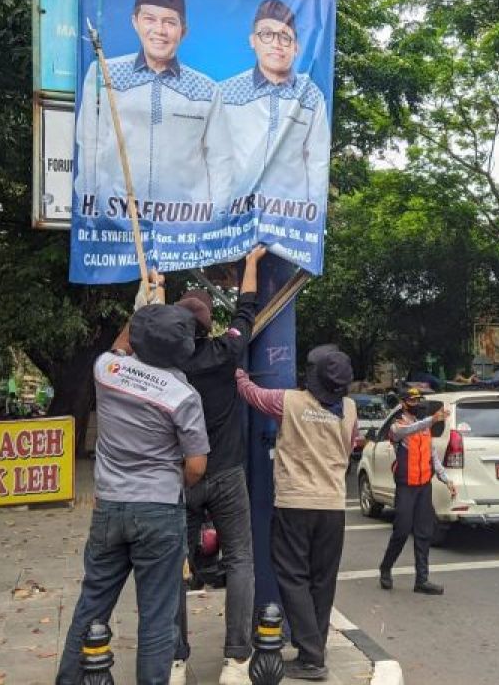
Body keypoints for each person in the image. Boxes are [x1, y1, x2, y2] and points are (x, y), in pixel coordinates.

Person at [56, 298, 210, 685]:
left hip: (109, 507)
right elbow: (196, 466)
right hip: (159, 510)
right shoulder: (183, 395)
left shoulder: (107, 370)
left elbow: (122, 342)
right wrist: (171, 480)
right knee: (157, 616)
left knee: (91, 605)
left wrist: (144, 308)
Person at [168, 247, 265, 685]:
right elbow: (247, 310)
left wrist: (151, 284)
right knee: (241, 559)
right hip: (227, 472)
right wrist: (250, 265)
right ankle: (236, 662)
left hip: (181, 476)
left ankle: (174, 659)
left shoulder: (162, 366)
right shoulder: (226, 351)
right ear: (209, 326)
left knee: (172, 564)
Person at [234, 345, 360, 681]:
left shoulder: (287, 401)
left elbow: (250, 393)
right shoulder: (349, 409)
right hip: (333, 506)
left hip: (294, 503)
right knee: (322, 581)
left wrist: (238, 369)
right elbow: (350, 447)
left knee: (292, 577)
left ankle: (312, 656)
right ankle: (313, 651)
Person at [74, 0, 225, 210]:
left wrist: (214, 217)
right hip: (117, 222)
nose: (160, 30)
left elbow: (220, 161)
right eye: (150, 19)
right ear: (135, 22)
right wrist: (95, 208)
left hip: (184, 227)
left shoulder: (207, 90)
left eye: (170, 22)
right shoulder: (104, 74)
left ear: (183, 31)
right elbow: (89, 145)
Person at [216, 0, 329, 207]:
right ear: (253, 40)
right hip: (236, 220)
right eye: (267, 34)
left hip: (290, 221)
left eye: (285, 37)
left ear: (296, 47)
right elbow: (213, 158)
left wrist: (314, 219)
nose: (276, 44)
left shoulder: (310, 95)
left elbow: (318, 164)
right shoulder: (225, 93)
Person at [378, 388, 455, 595]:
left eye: (419, 399)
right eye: (413, 399)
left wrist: (446, 479)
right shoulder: (398, 426)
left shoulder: (423, 427)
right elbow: (409, 430)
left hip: (424, 487)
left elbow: (433, 456)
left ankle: (422, 579)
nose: (417, 402)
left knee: (424, 533)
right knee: (402, 530)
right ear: (403, 403)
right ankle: (386, 567)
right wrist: (432, 419)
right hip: (406, 487)